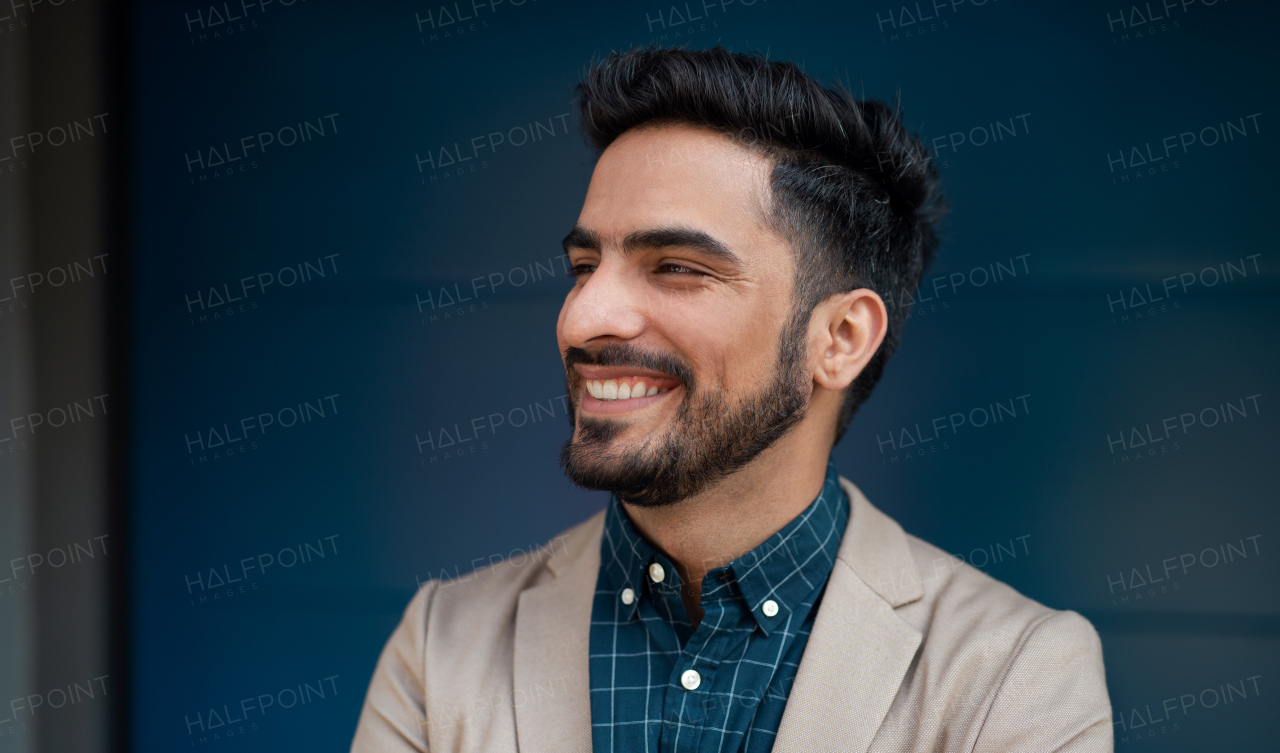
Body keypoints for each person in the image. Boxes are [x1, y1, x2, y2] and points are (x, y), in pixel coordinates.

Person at [352, 46, 1111, 753]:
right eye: (585, 266)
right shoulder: (439, 647)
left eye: (677, 267)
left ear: (842, 336)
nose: (581, 319)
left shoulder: (1016, 673)